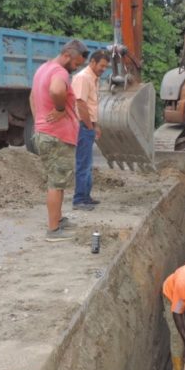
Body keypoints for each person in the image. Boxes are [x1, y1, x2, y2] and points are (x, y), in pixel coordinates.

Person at [30, 39, 89, 242]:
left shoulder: (43, 69)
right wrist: (60, 109)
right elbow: (56, 90)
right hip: (57, 137)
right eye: (75, 63)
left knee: (59, 180)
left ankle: (58, 219)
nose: (76, 68)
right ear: (67, 55)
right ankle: (53, 230)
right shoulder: (59, 72)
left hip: (47, 133)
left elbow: (32, 96)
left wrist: (40, 120)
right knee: (56, 182)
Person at [71, 49, 110, 211]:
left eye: (106, 66)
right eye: (102, 65)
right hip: (82, 125)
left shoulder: (93, 79)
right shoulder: (83, 78)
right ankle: (79, 199)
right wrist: (89, 126)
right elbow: (81, 104)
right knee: (83, 163)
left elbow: (92, 105)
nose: (104, 69)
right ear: (92, 62)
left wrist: (96, 126)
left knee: (88, 162)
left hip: (88, 125)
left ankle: (86, 197)